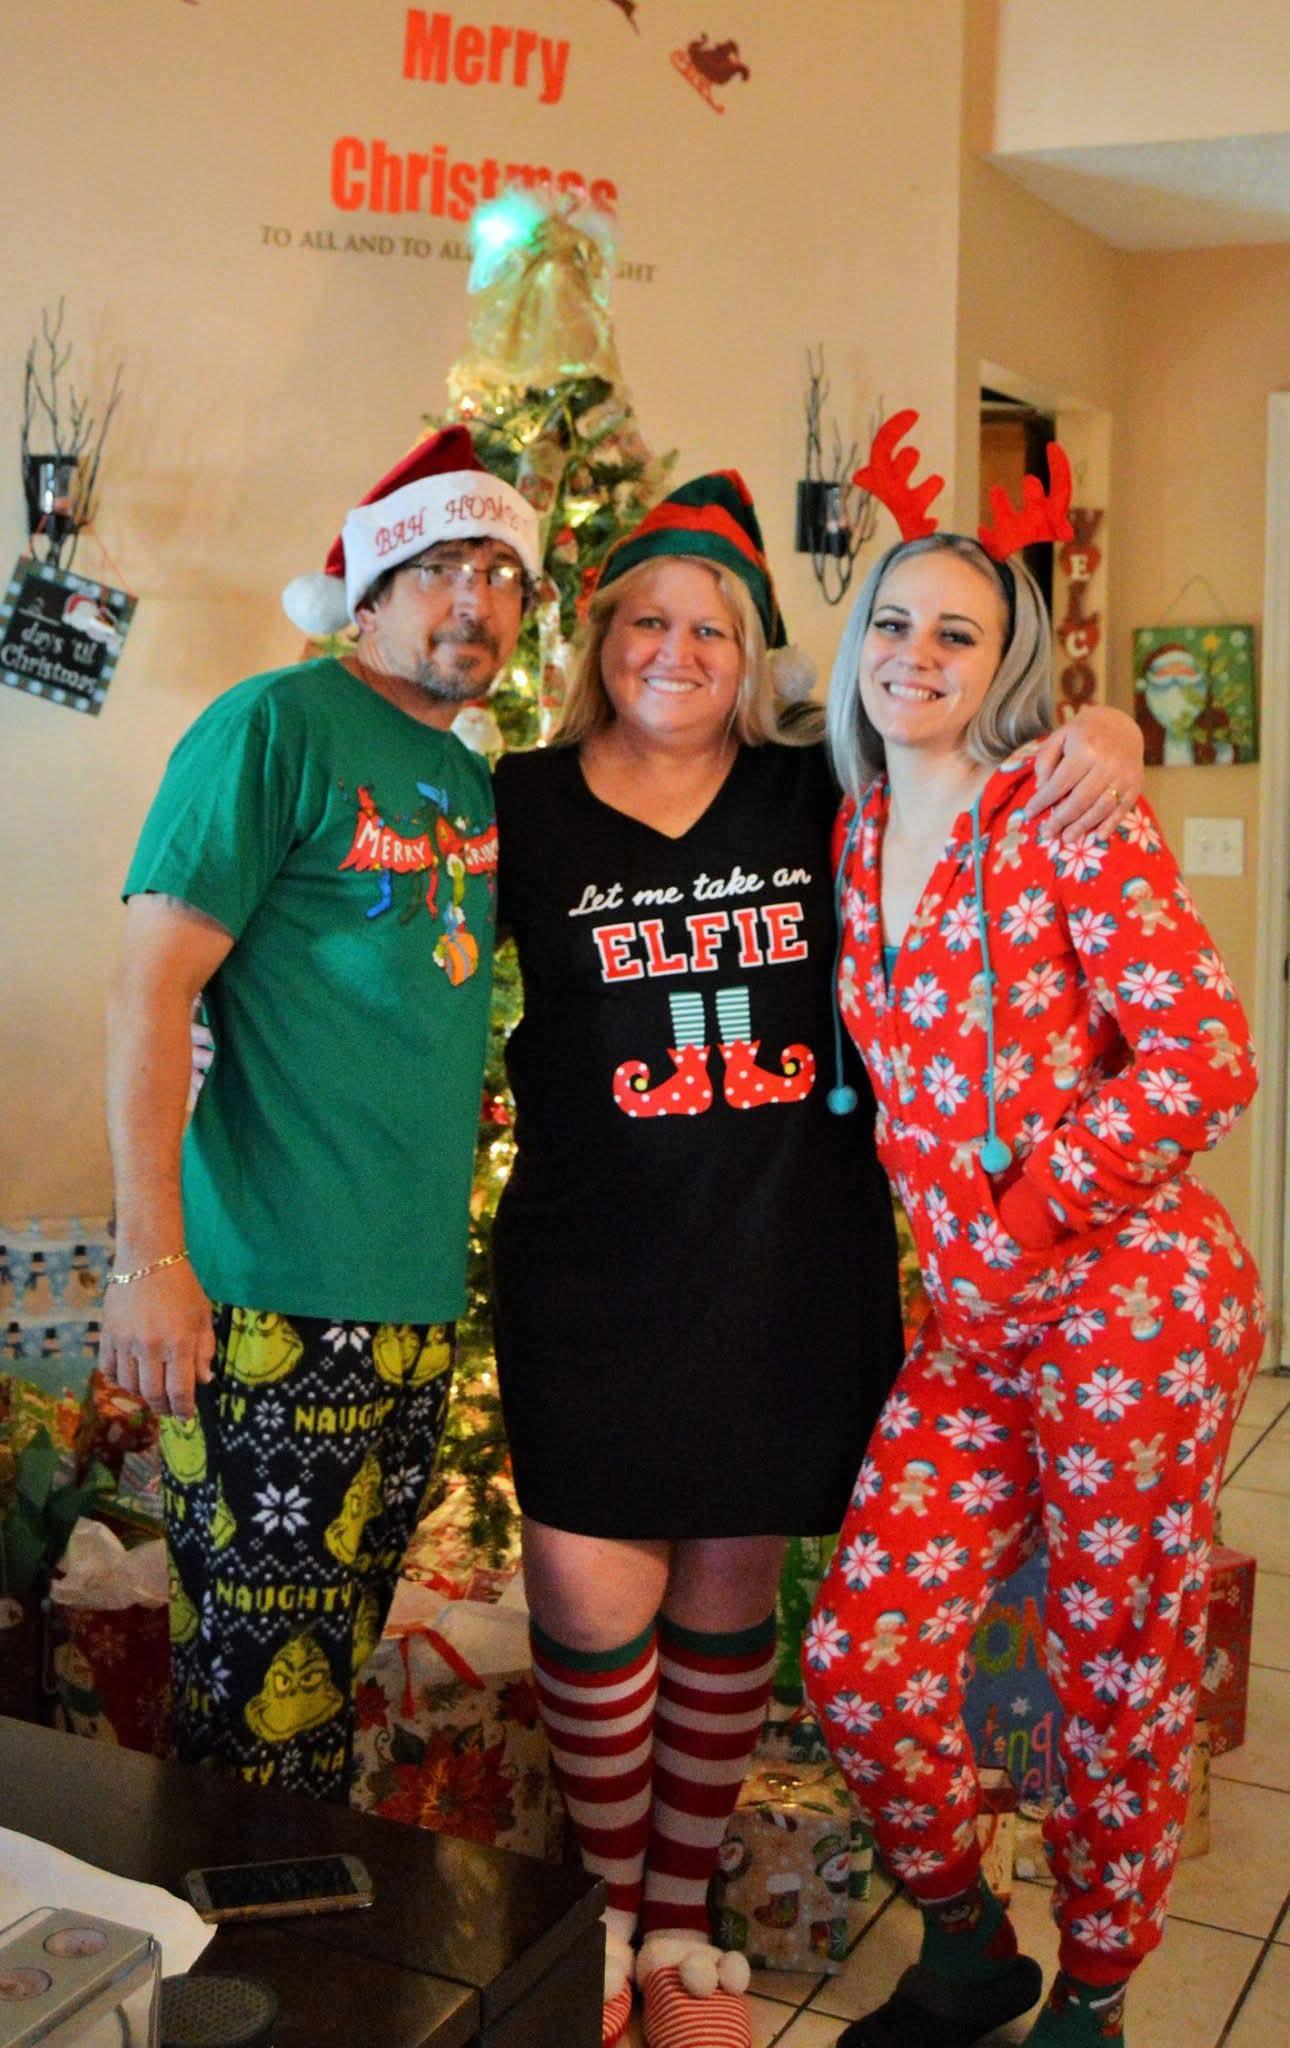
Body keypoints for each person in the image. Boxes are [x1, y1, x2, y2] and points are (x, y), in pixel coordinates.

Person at [488, 470, 1145, 2048]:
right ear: (599, 636)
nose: (674, 649)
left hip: (785, 1265)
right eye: (645, 619)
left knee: (727, 1610)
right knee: (589, 1607)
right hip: (589, 1270)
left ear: (758, 653)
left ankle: (678, 1935)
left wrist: (1108, 726)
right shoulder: (513, 802)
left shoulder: (818, 790)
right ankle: (606, 1928)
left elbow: (978, 746)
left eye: (710, 626)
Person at [803, 507, 1263, 2048]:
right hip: (974, 1332)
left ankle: (1096, 1993)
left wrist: (1023, 1213)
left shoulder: (1065, 814)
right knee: (858, 1658)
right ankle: (966, 1943)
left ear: (1005, 666)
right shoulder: (856, 830)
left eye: (956, 633)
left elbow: (1204, 1059)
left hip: (1131, 1311)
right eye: (890, 623)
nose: (913, 655)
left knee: (1111, 1669)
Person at [101, 427, 541, 1799]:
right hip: (264, 1301)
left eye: (501, 573)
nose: (473, 599)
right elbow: (150, 987)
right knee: (251, 1708)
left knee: (322, 1679)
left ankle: (283, 1916)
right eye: (441, 567)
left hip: (406, 1304)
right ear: (368, 590)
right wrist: (150, 1259)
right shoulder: (273, 726)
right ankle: (212, 1935)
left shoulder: (466, 776)